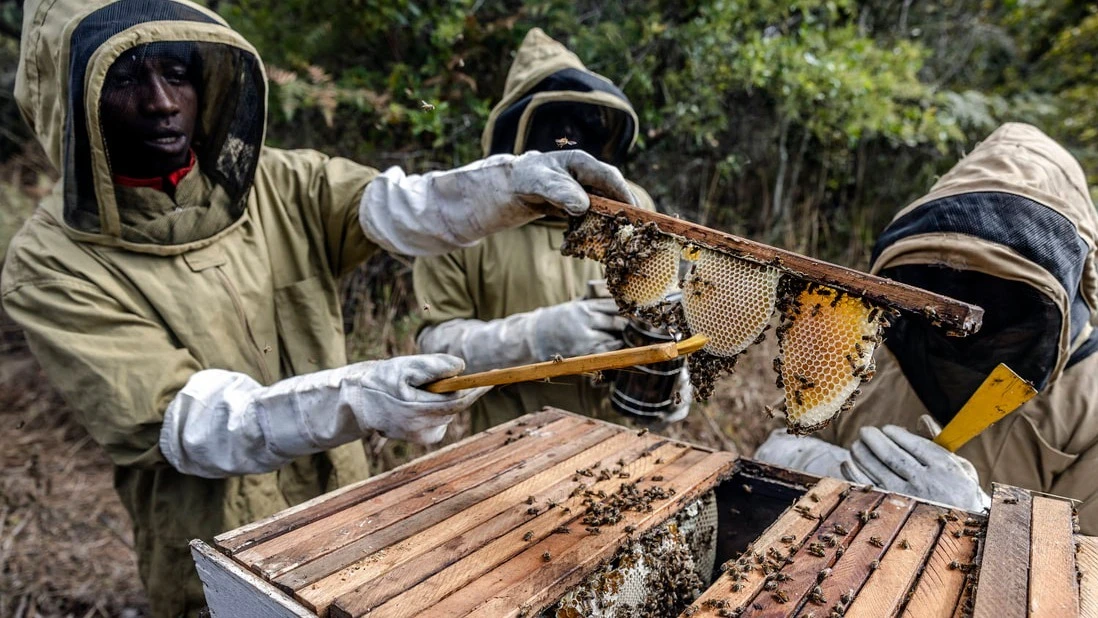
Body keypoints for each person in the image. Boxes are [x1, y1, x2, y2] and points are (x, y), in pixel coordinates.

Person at [4, 2, 636, 615]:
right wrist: (359, 394)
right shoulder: (48, 264)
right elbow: (191, 424)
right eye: (124, 77)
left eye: (175, 72)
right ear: (71, 99)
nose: (162, 101)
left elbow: (401, 208)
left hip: (350, 510)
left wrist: (506, 184)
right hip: (216, 552)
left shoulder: (277, 181)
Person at [755, 123, 1098, 529]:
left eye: (998, 294)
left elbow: (1086, 578)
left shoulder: (1087, 406)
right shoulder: (872, 341)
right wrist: (819, 463)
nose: (966, 310)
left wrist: (983, 516)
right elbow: (779, 444)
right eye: (944, 281)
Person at [414, 28, 690, 433]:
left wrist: (671, 379)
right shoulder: (461, 215)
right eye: (556, 124)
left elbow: (661, 312)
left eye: (583, 123)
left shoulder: (634, 208)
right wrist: (536, 338)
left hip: (620, 446)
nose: (571, 138)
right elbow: (433, 349)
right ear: (517, 130)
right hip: (512, 451)